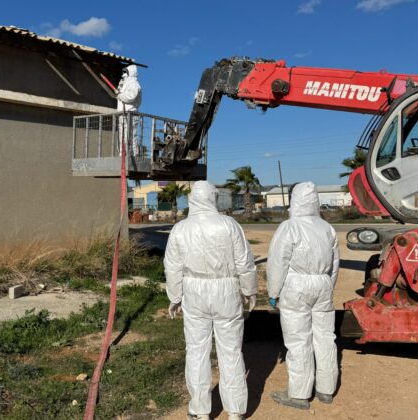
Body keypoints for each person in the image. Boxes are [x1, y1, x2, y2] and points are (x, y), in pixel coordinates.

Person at [164, 181, 257, 420]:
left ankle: (200, 410)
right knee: (231, 351)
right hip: (226, 289)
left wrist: (174, 297)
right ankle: (235, 410)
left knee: (196, 351)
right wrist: (249, 290)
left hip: (194, 290)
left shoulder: (180, 229)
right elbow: (244, 261)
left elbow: (172, 266)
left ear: (192, 199)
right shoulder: (229, 225)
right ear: (213, 198)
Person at [266, 182, 340, 410]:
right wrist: (329, 285)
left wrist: (273, 292)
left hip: (296, 285)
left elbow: (278, 263)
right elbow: (335, 263)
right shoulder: (327, 228)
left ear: (294, 200)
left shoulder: (289, 227)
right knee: (326, 337)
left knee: (299, 339)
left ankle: (299, 393)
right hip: (322, 283)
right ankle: (326, 389)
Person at [116, 65, 142, 156]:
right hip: (122, 114)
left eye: (125, 72)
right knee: (122, 136)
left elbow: (131, 97)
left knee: (130, 136)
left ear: (130, 73)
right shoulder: (125, 83)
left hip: (130, 114)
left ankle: (133, 155)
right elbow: (121, 95)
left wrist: (120, 95)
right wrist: (119, 89)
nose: (123, 74)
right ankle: (122, 154)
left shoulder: (134, 84)